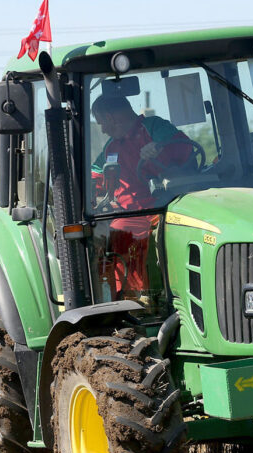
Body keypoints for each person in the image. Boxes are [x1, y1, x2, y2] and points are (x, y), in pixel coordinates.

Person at [89, 95, 193, 301]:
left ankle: (149, 297)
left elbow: (183, 147)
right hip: (132, 213)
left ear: (110, 117)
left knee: (126, 230)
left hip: (163, 205)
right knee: (115, 230)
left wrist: (158, 147)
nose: (102, 129)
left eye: (102, 123)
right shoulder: (112, 147)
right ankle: (131, 300)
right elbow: (95, 175)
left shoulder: (153, 127)